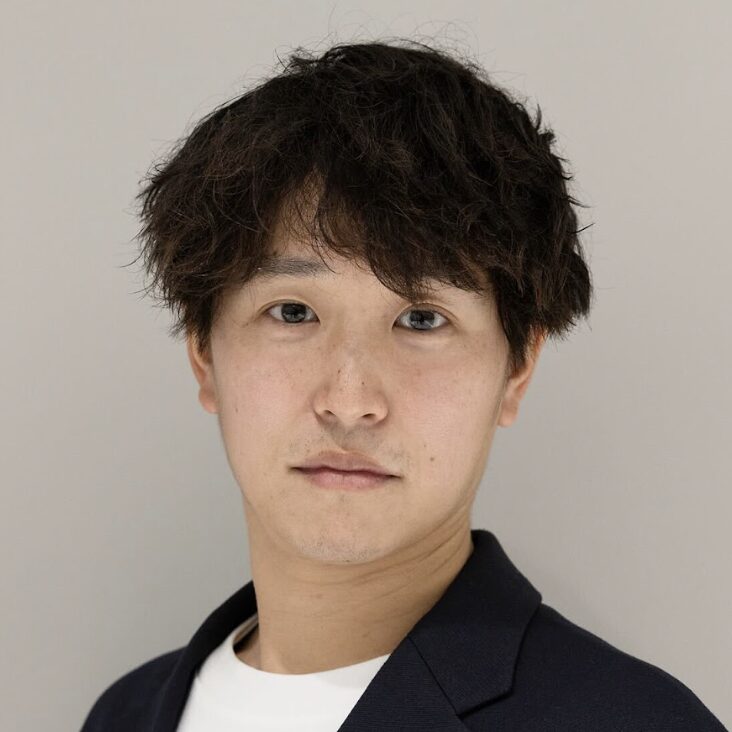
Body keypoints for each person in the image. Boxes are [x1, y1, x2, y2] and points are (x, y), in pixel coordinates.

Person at [80, 39, 726, 731]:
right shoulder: (124, 714)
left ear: (517, 369)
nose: (349, 401)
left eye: (422, 319)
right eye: (292, 312)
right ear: (203, 352)